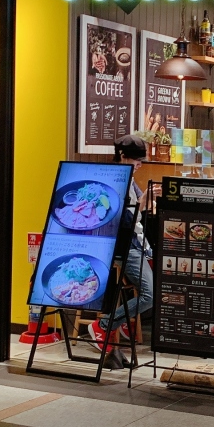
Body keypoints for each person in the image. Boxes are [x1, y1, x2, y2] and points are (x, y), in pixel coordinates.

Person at [88, 135, 154, 368]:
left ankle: (125, 320)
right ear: (123, 156)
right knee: (150, 294)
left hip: (136, 242)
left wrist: (147, 199)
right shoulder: (115, 181)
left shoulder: (129, 179)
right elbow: (124, 221)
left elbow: (138, 211)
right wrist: (144, 201)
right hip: (123, 246)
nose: (140, 164)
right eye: (137, 160)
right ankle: (106, 324)